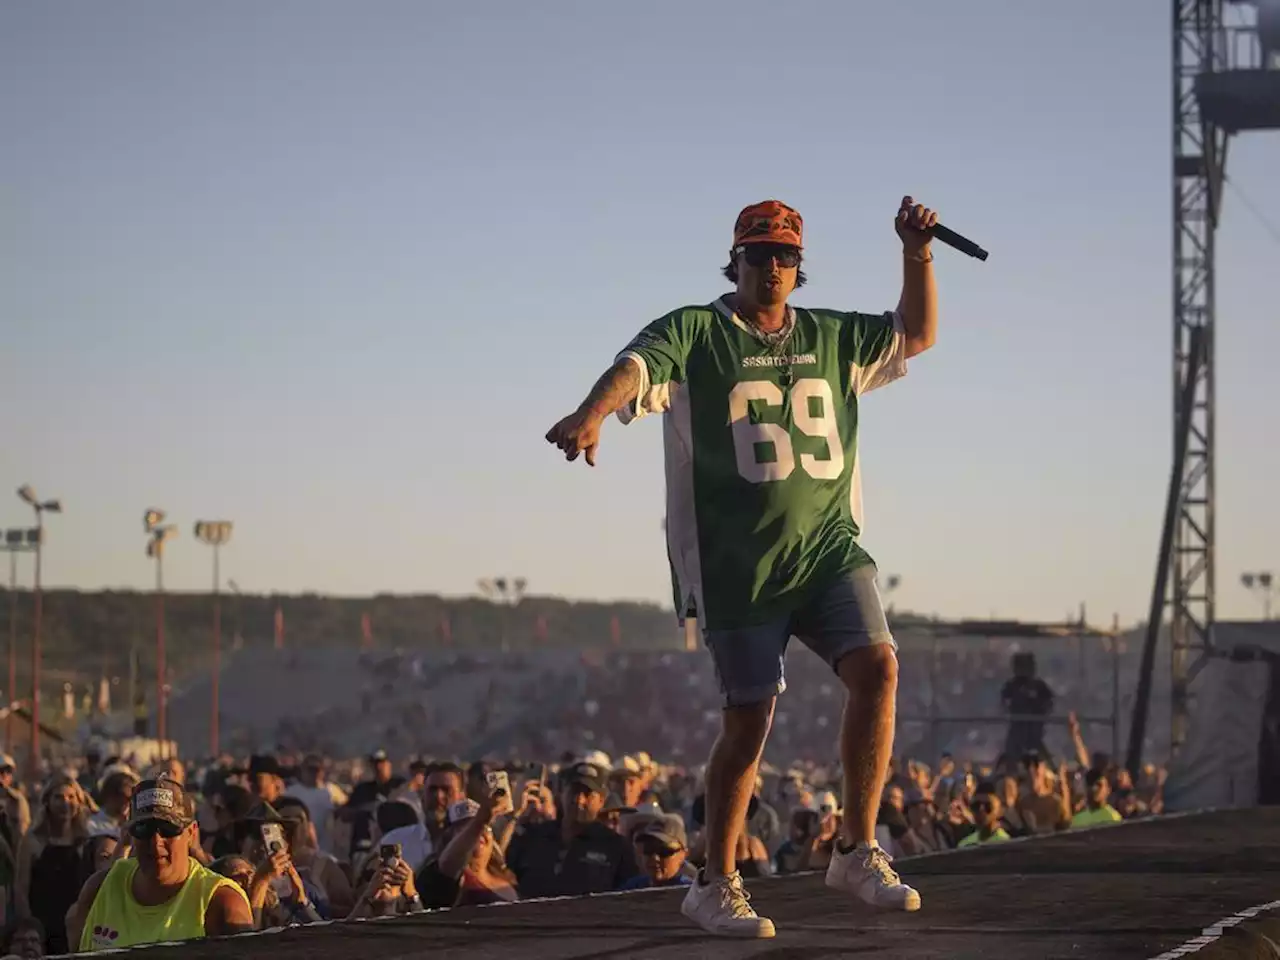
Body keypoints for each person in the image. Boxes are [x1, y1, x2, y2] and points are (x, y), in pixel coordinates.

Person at [546, 196, 939, 938]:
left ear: (799, 266)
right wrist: (594, 413)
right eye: (759, 255)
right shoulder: (697, 329)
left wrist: (917, 252)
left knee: (880, 668)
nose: (773, 268)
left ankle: (856, 848)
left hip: (827, 548)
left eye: (786, 256)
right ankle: (714, 879)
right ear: (737, 260)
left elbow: (915, 332)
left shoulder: (830, 335)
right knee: (750, 722)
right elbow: (635, 366)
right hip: (738, 568)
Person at [68, 777, 254, 951]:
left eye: (168, 829)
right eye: (144, 829)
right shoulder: (100, 888)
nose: (156, 842)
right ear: (130, 834)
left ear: (192, 833)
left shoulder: (220, 902)